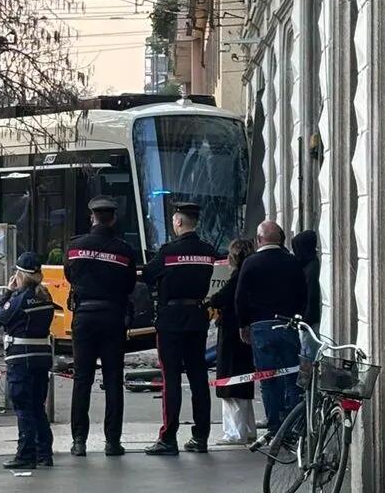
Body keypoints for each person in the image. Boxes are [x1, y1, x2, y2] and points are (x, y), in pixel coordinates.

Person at [65, 195, 138, 457]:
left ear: (92, 217)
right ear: (113, 218)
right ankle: (112, 442)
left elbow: (69, 275)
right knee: (113, 380)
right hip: (113, 317)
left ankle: (78, 441)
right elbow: (131, 284)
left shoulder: (75, 246)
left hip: (84, 317)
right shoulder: (124, 250)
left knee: (81, 380)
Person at [141, 201, 216, 456]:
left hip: (171, 319)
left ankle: (168, 437)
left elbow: (148, 276)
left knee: (170, 379)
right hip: (197, 317)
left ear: (178, 222)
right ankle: (201, 436)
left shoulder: (168, 252)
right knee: (198, 379)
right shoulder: (208, 251)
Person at [234, 220, 308, 438]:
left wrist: (243, 324)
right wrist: (297, 317)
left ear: (258, 240)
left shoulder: (250, 263)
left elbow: (240, 297)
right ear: (281, 239)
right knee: (291, 376)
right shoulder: (292, 262)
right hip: (288, 325)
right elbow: (303, 294)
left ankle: (274, 427)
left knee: (268, 378)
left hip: (260, 327)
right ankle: (293, 426)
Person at [0, 252, 58, 469]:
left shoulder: (19, 299)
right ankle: (44, 453)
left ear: (20, 275)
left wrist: (7, 292)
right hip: (42, 357)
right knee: (37, 406)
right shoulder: (45, 295)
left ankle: (25, 455)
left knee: (22, 407)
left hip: (21, 358)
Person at [207, 238, 257, 445]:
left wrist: (209, 301)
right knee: (243, 382)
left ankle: (235, 433)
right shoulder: (251, 275)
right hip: (244, 334)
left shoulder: (237, 277)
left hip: (231, 334)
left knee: (231, 383)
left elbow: (220, 298)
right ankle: (248, 428)